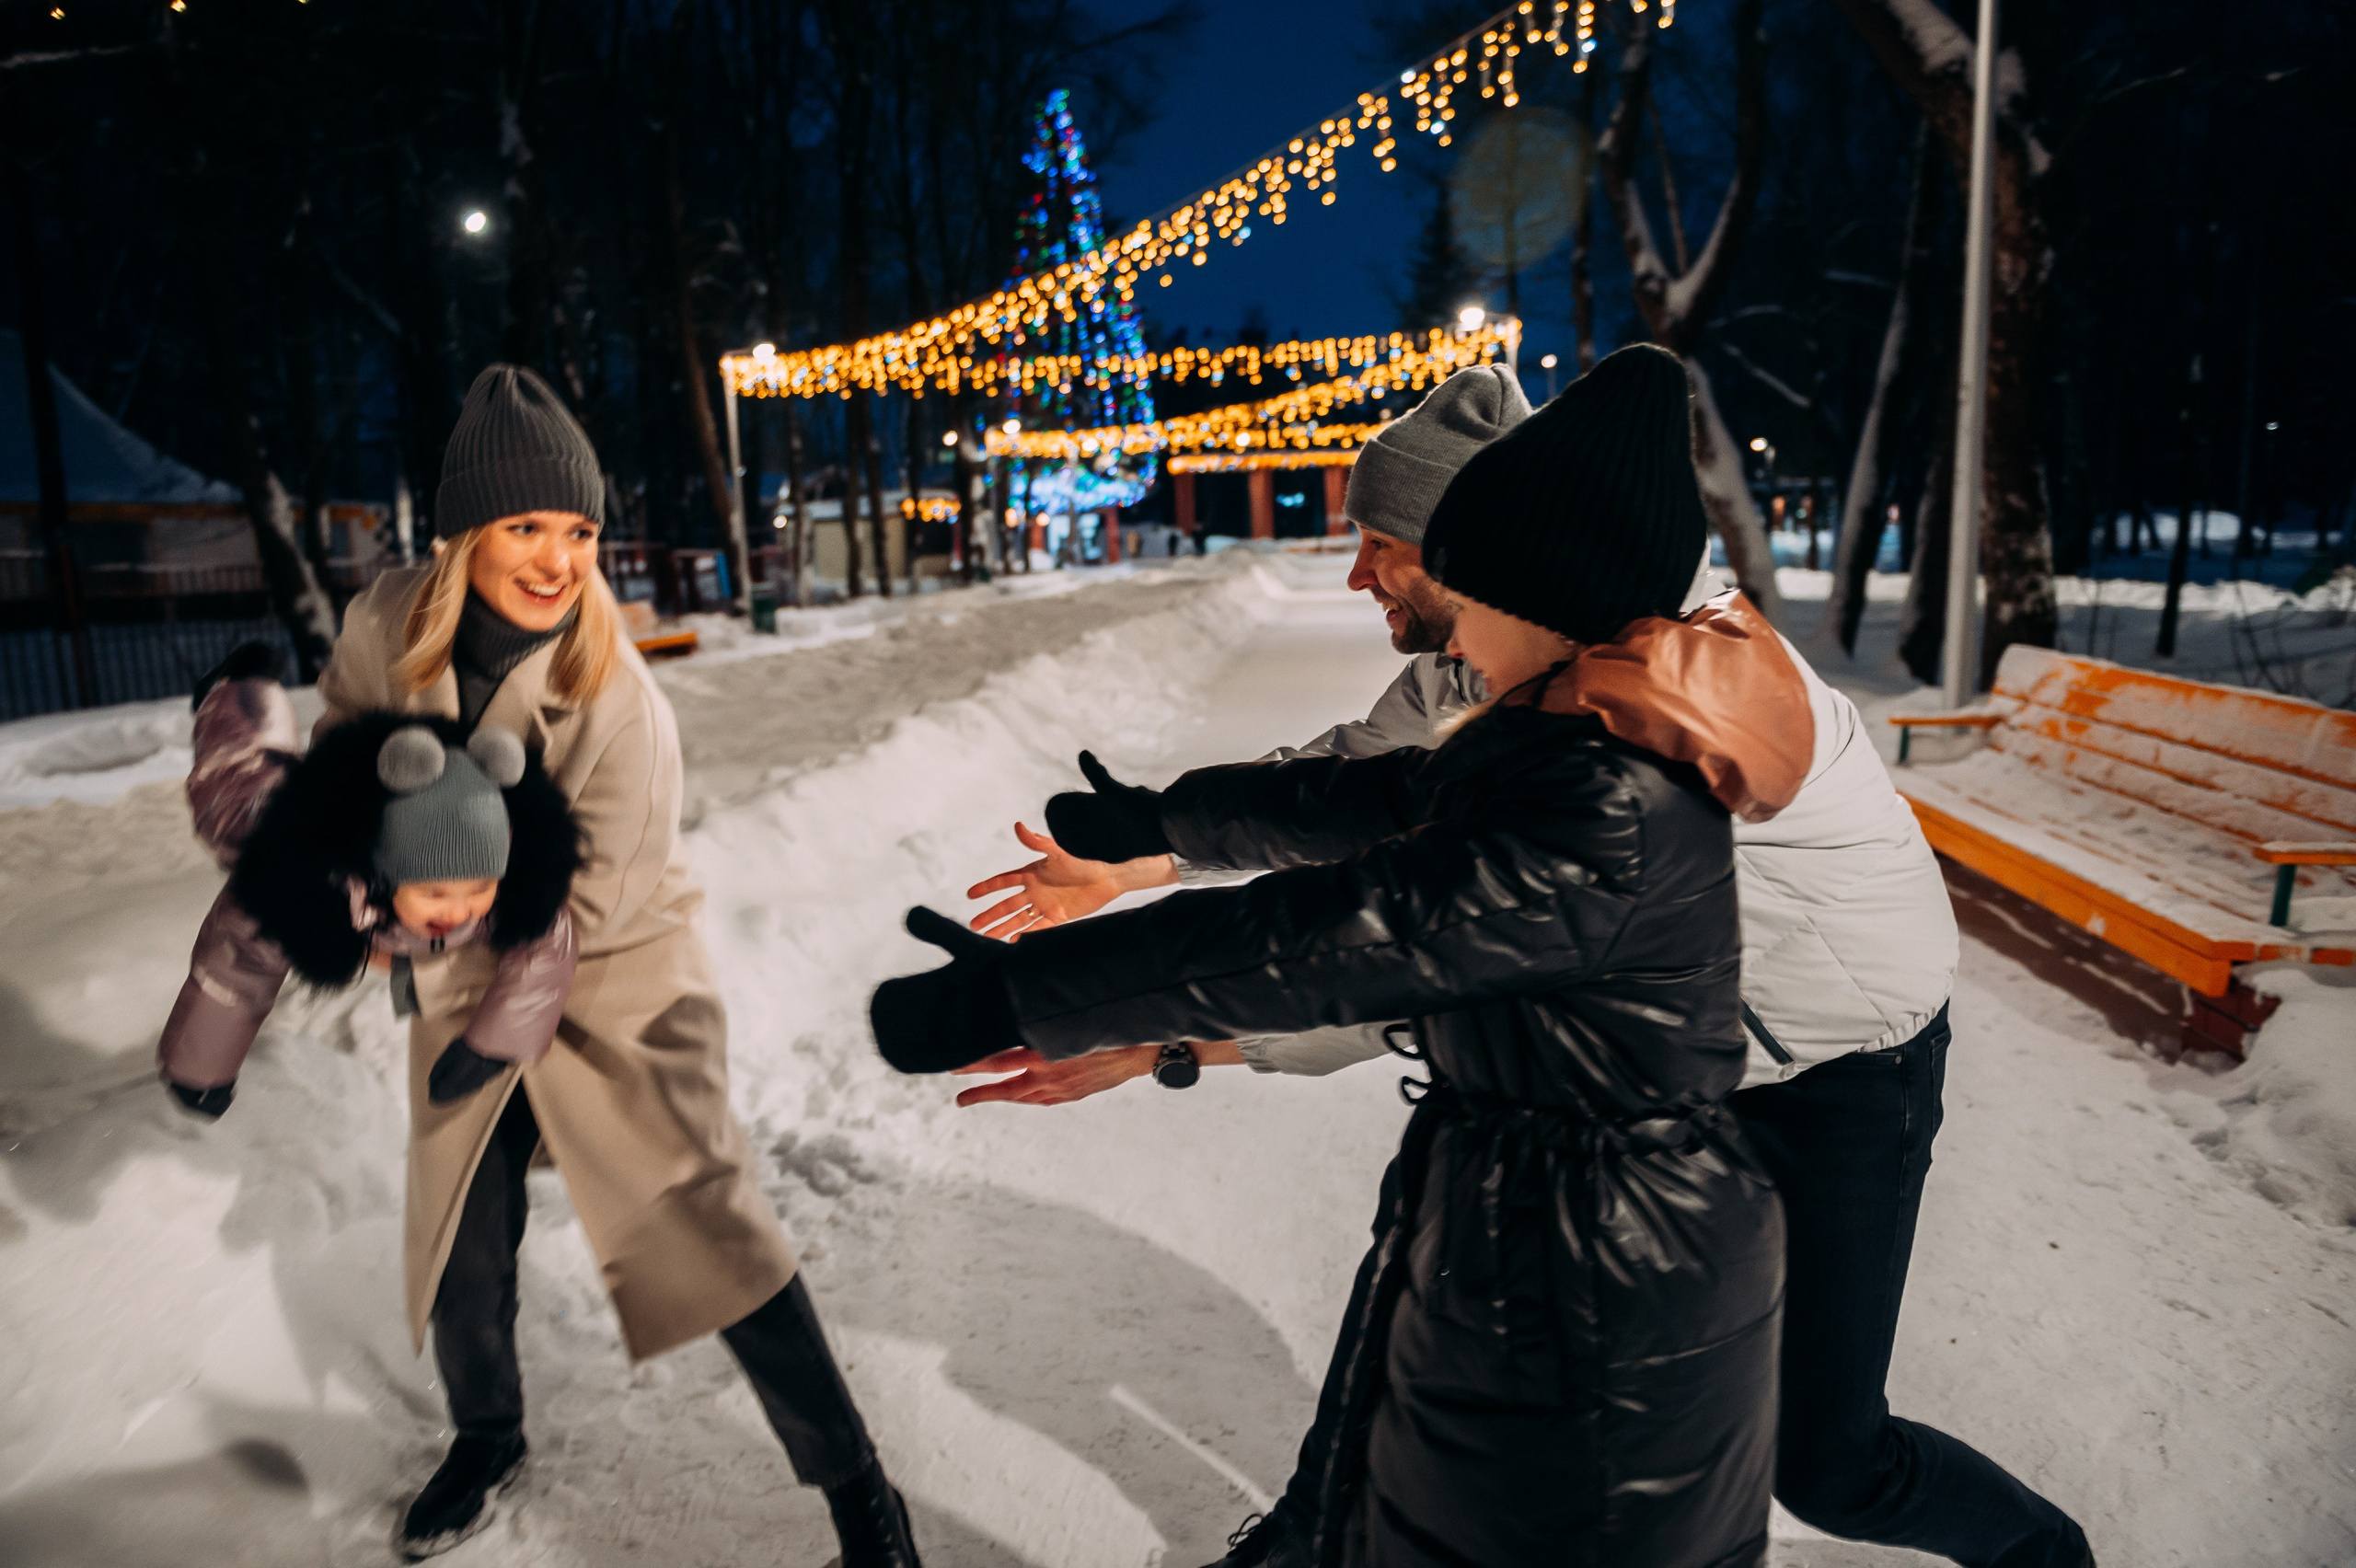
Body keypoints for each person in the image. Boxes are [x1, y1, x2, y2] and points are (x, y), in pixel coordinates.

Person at [957, 360, 2093, 1568]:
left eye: (1384, 545)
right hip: (1658, 1069)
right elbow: (1363, 788)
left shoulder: (1660, 725)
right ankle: (1308, 1540)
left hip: (1838, 1070)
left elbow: (1427, 952)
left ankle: (2044, 1557)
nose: (1357, 574)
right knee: (1426, 1260)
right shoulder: (1494, 658)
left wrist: (1166, 1040)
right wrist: (1147, 854)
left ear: (1484, 554)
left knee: (1827, 1463)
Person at [873, 344, 1799, 1566]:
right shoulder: (1553, 742)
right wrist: (1162, 820)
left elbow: (1335, 936)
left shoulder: (1598, 809)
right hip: (1543, 1227)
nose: (1444, 626)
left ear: (1538, 597)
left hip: (1597, 1288)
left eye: (1467, 588)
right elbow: (1358, 798)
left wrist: (1025, 993)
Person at [253, 364, 918, 1565]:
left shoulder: (616, 695)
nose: (558, 559)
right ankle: (486, 1435)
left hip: (614, 975)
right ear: (463, 533)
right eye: (527, 527)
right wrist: (343, 868)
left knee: (706, 1233)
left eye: (578, 531)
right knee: (465, 1226)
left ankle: (861, 1493)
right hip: (460, 967)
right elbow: (351, 749)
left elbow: (594, 896)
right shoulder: (387, 626)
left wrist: (419, 911)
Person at [157, 660, 582, 1120]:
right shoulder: (309, 884)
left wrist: (493, 1047)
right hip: (262, 812)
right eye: (434, 893)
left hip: (394, 796)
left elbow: (549, 940)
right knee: (233, 779)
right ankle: (238, 685)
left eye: (480, 887)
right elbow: (239, 964)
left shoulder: (504, 884)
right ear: (384, 873)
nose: (460, 911)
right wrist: (198, 1071)